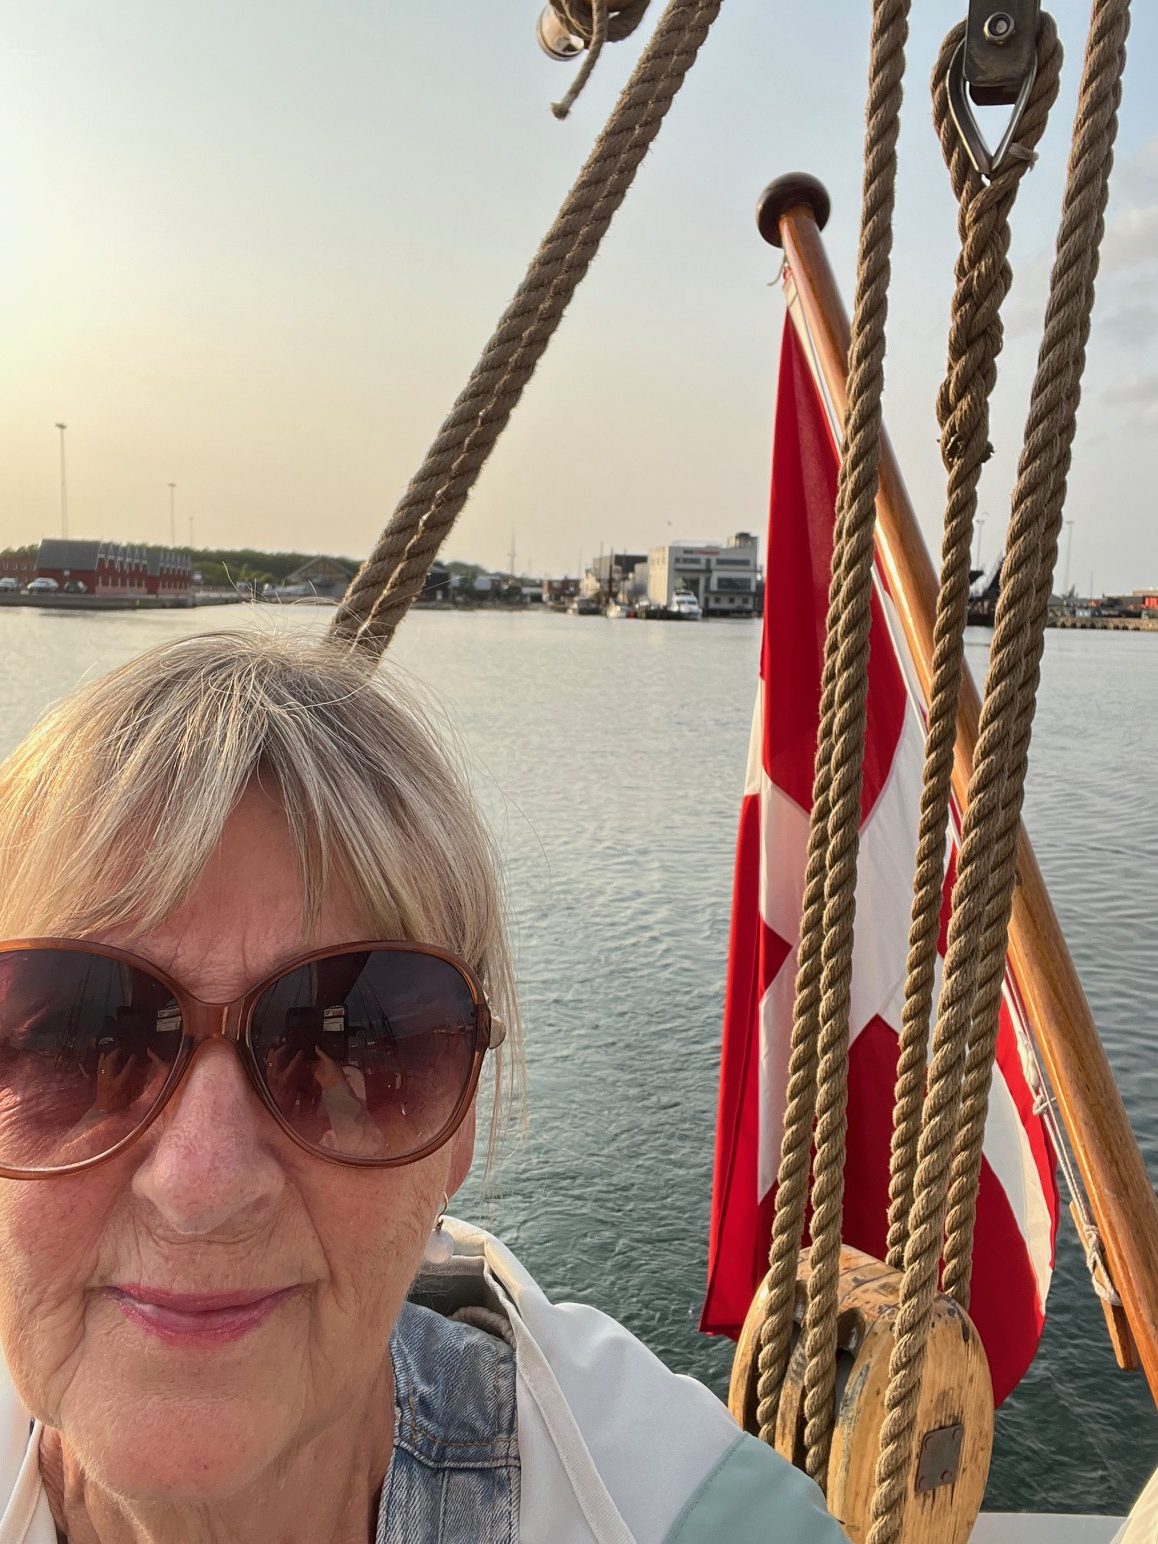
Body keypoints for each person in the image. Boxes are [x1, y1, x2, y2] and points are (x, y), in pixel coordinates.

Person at [0, 630, 847, 1543]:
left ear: (462, 1120)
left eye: (351, 1042)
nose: (200, 1186)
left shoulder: (682, 1517)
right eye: (78, 1042)